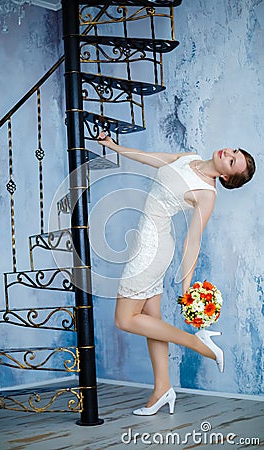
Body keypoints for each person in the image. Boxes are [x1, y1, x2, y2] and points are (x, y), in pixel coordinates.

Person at [98, 132, 256, 416]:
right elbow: (153, 159)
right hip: (147, 242)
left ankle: (197, 343)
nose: (227, 153)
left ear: (226, 178)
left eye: (232, 161)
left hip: (151, 252)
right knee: (152, 320)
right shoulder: (192, 159)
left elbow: (193, 242)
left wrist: (186, 292)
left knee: (125, 320)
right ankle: (163, 389)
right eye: (234, 151)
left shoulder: (207, 194)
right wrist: (115, 147)